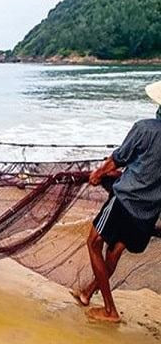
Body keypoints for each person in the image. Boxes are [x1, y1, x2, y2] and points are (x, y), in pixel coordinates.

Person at [71, 81, 161, 323]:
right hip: (148, 212)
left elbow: (118, 158)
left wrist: (98, 174)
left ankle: (110, 310)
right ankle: (87, 293)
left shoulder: (145, 128)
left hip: (125, 202)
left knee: (93, 243)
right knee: (114, 251)